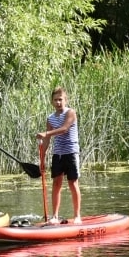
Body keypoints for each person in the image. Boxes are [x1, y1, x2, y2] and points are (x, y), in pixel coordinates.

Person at [37, 86, 81, 224]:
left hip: (71, 152)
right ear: (52, 101)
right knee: (56, 184)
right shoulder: (50, 118)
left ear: (65, 100)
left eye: (60, 100)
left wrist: (46, 133)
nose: (58, 103)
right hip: (58, 154)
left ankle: (77, 216)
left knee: (72, 183)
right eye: (55, 100)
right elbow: (47, 140)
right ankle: (55, 216)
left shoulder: (70, 113)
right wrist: (42, 159)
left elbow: (64, 129)